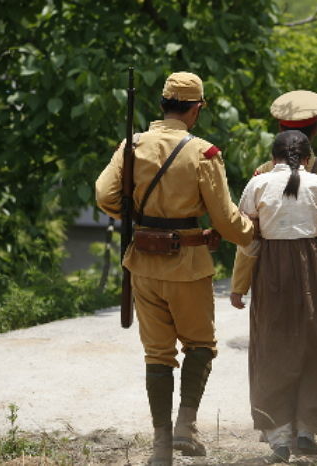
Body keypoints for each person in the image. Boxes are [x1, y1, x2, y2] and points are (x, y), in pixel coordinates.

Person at [95, 72, 254, 466]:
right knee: (200, 345)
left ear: (163, 103)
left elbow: (104, 195)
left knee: (157, 354)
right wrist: (253, 232)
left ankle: (161, 445)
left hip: (143, 263)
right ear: (196, 108)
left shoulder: (132, 144)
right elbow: (225, 220)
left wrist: (132, 215)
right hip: (187, 264)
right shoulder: (203, 152)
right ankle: (186, 426)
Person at [238, 130, 317, 462]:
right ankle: (306, 430)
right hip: (312, 268)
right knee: (315, 342)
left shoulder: (257, 185)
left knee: (273, 345)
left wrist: (246, 277)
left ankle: (278, 436)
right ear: (308, 158)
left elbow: (246, 237)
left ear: (273, 159)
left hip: (271, 268)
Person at [230, 90, 317, 309]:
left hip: (271, 269)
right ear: (316, 130)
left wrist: (239, 285)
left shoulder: (261, 176)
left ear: (280, 131)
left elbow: (249, 235)